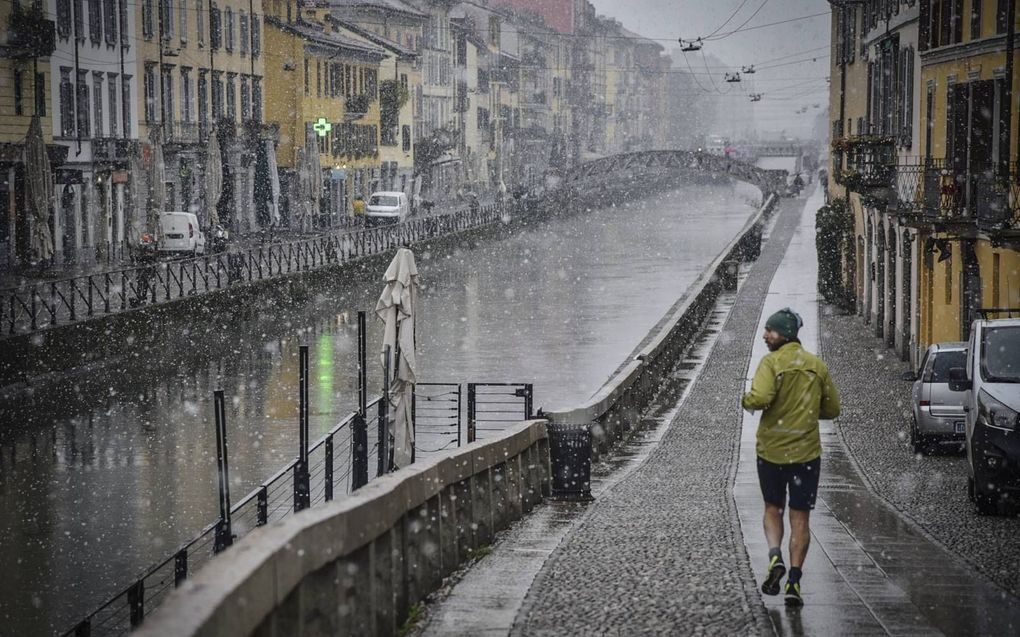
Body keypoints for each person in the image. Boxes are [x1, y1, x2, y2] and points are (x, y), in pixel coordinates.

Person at [741, 308, 840, 608]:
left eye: (769, 331)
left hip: (771, 451)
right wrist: (807, 412)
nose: (765, 335)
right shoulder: (816, 366)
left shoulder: (770, 363)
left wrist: (745, 400)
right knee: (801, 518)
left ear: (783, 334)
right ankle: (794, 581)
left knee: (773, 507)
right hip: (806, 454)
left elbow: (760, 398)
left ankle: (775, 558)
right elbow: (832, 409)